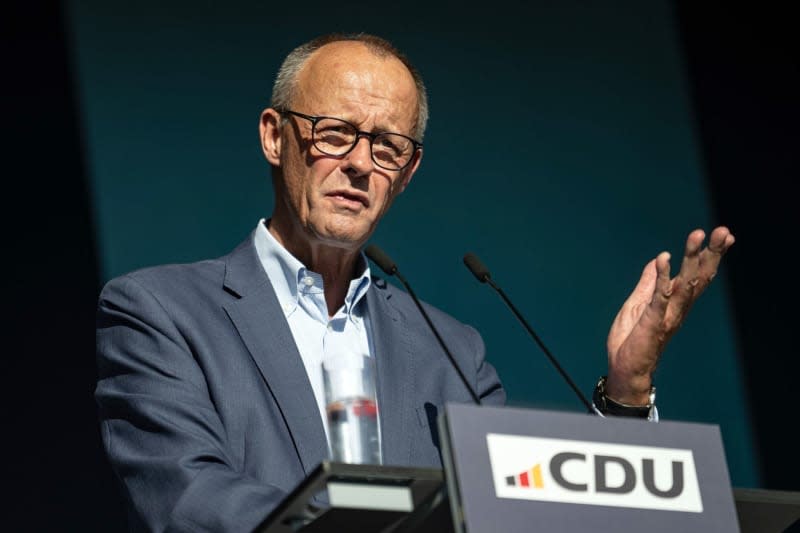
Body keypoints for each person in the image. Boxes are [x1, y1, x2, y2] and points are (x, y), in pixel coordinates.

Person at [95, 32, 735, 532]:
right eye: (335, 133)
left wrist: (625, 395)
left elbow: (528, 509)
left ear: (407, 172)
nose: (357, 165)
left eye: (386, 147)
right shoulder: (160, 312)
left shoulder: (452, 351)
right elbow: (186, 504)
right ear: (274, 136)